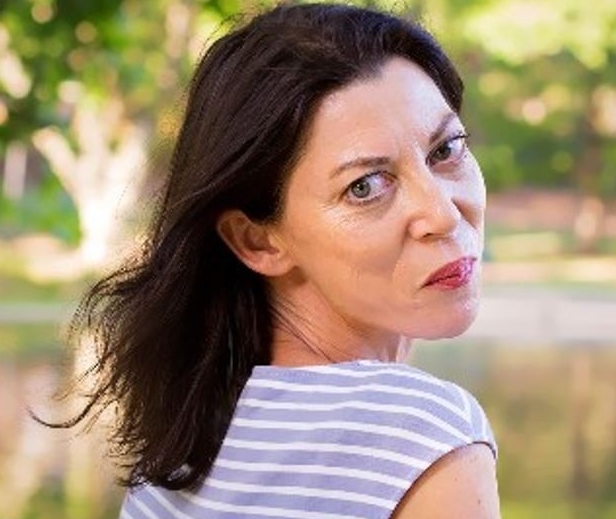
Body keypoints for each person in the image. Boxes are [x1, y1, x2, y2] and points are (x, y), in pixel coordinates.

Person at [61, 2, 499, 517]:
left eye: (446, 149)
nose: (443, 214)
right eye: (365, 186)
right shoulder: (425, 434)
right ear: (257, 241)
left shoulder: (174, 452)